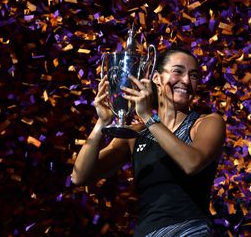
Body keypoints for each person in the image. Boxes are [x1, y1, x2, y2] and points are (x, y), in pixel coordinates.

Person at [71, 46, 226, 236]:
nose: (186, 81)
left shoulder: (207, 123)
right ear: (156, 79)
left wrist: (148, 117)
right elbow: (81, 176)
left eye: (193, 75)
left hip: (189, 231)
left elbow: (191, 163)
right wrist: (101, 124)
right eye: (178, 71)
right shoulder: (136, 134)